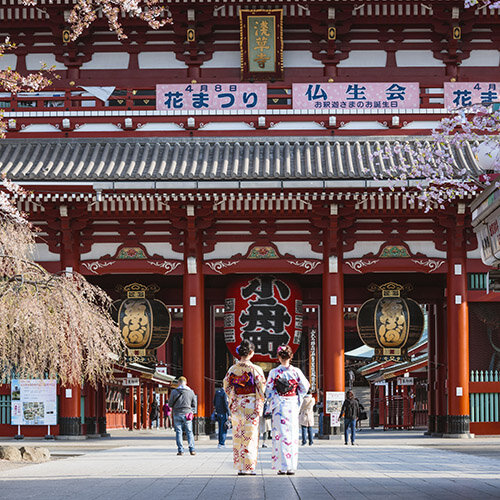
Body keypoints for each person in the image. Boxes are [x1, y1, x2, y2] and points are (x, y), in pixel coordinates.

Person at [266, 345, 310, 475]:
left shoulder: (274, 373)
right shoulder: (296, 371)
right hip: (291, 404)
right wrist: (297, 399)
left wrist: (275, 399)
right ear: (291, 356)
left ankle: (282, 467)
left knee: (279, 436)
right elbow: (305, 387)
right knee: (291, 435)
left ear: (278, 357)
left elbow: (268, 390)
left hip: (279, 404)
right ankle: (290, 467)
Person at [223, 339, 266, 476]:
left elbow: (227, 386)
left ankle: (241, 467)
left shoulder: (233, 369)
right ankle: (249, 467)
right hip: (251, 404)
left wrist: (234, 396)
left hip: (238, 405)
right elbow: (262, 387)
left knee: (238, 435)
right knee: (250, 436)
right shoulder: (255, 369)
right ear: (251, 353)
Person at [168, 376, 197, 456]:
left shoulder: (174, 392)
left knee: (178, 432)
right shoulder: (191, 392)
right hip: (187, 414)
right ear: (186, 382)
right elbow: (194, 404)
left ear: (178, 383)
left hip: (177, 413)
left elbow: (170, 404)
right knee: (189, 432)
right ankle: (192, 449)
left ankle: (180, 450)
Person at [213, 382, 230, 448]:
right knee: (223, 429)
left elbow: (214, 402)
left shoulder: (217, 392)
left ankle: (219, 443)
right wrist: (229, 414)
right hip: (224, 413)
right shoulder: (224, 393)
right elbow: (226, 404)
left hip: (218, 412)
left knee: (220, 429)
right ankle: (222, 443)